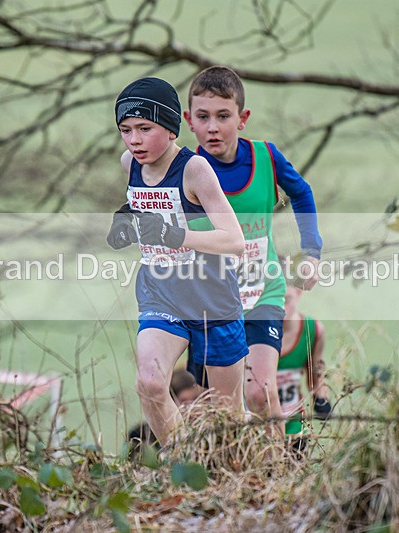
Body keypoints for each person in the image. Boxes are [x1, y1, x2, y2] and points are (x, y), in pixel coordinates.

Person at [182, 66, 323, 436]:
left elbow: (302, 193)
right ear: (188, 121)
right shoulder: (184, 170)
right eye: (203, 117)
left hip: (263, 293)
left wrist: (312, 252)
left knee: (260, 393)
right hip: (209, 303)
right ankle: (234, 478)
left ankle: (281, 474)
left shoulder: (266, 157)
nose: (213, 127)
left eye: (223, 116)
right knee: (216, 407)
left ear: (242, 119)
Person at [107, 77, 247, 446]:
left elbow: (235, 240)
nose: (134, 140)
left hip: (211, 297)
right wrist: (125, 221)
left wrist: (174, 235)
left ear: (170, 129)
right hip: (161, 292)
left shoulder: (194, 170)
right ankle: (182, 465)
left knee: (227, 417)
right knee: (150, 384)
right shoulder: (130, 164)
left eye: (144, 129)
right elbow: (146, 210)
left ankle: (235, 480)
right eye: (125, 130)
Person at [277, 282, 331, 439]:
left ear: (299, 291)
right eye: (276, 300)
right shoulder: (248, 329)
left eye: (287, 300)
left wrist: (321, 399)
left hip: (294, 425)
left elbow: (315, 375)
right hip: (259, 424)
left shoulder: (313, 330)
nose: (282, 309)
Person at [126, 369, 204, 453]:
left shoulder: (203, 433)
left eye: (195, 399)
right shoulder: (142, 435)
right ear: (171, 401)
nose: (191, 407)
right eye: (184, 401)